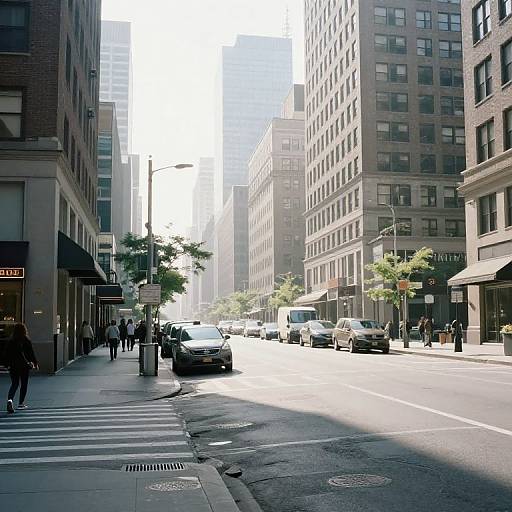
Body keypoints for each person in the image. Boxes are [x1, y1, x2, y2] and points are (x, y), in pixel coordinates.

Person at [4, 323, 38, 413]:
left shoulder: (11, 341)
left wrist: (6, 365)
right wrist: (35, 363)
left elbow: (6, 354)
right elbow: (31, 353)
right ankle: (21, 403)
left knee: (14, 384)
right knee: (24, 384)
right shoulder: (26, 340)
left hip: (13, 366)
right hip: (24, 366)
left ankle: (10, 400)